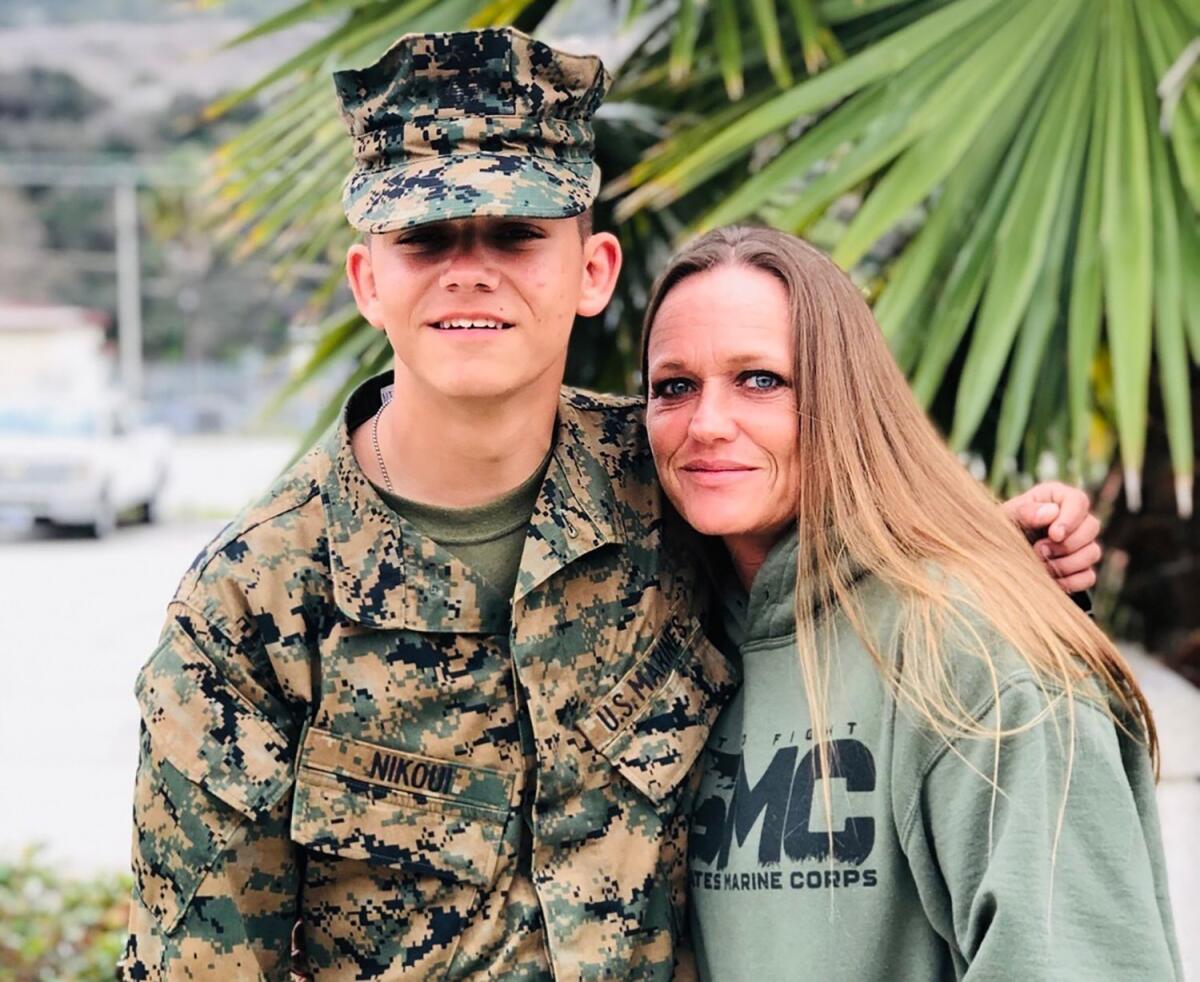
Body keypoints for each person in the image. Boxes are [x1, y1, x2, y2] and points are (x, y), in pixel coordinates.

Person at [119, 29, 1104, 981]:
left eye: (516, 232)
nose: (471, 265)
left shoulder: (676, 477)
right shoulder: (250, 606)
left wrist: (996, 551)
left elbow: (848, 533)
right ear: (368, 279)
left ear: (593, 272)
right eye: (424, 236)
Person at [640, 225, 1182, 981]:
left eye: (760, 379)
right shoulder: (665, 646)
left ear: (841, 395)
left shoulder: (979, 652)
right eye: (674, 386)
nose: (706, 424)